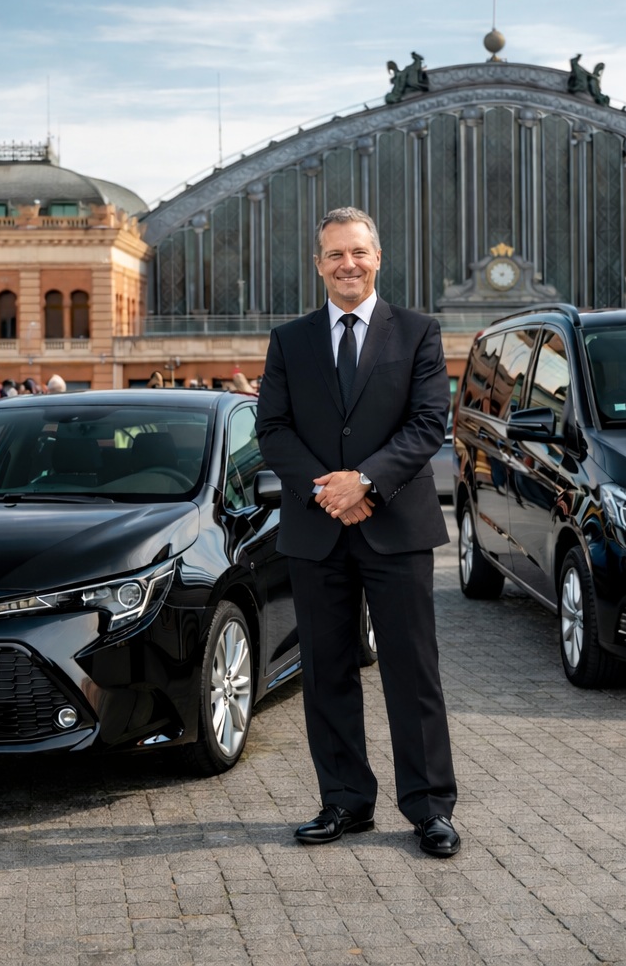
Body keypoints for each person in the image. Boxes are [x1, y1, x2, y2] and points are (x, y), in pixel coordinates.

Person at [256, 206, 459, 859]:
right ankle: (345, 802)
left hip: (396, 527)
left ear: (378, 258)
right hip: (318, 533)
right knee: (327, 672)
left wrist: (365, 482)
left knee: (413, 672)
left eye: (359, 253)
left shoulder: (419, 334)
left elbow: (428, 424)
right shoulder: (290, 340)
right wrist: (330, 490)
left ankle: (429, 808)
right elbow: (273, 431)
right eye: (335, 254)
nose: (348, 264)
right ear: (318, 264)